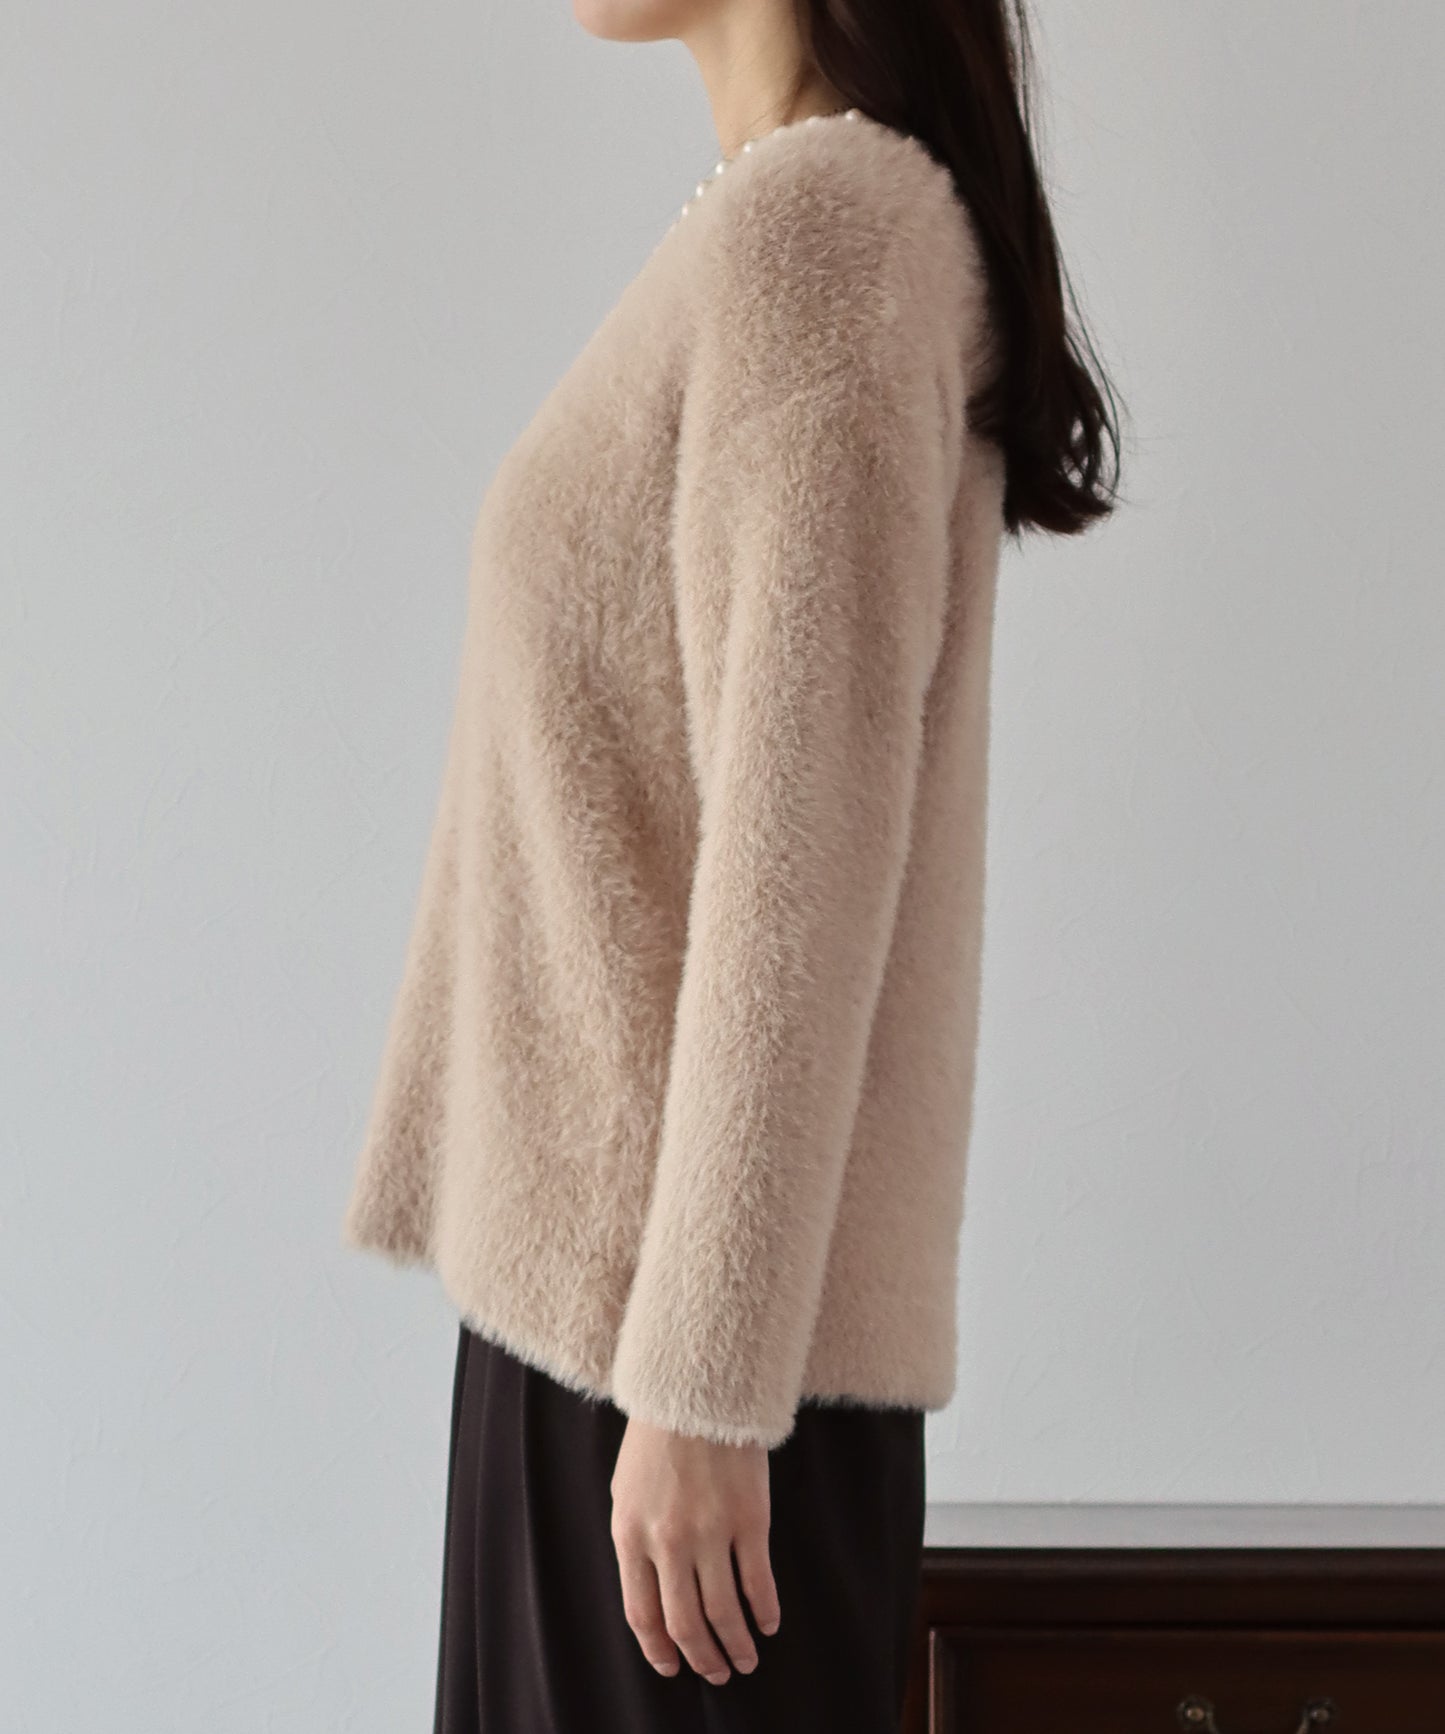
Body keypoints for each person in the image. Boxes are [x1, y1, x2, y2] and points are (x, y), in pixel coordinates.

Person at [341, 1, 1122, 1728]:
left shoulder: (820, 238)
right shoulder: (789, 223)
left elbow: (799, 856)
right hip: (630, 1349)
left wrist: (700, 1384)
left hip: (679, 1382)